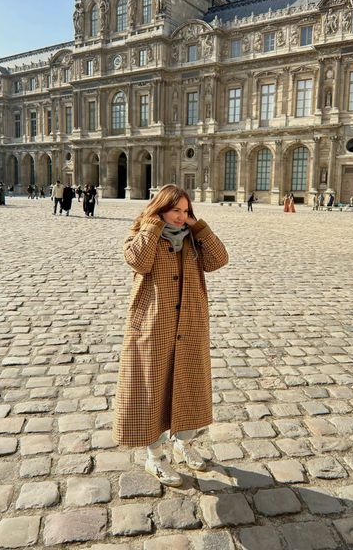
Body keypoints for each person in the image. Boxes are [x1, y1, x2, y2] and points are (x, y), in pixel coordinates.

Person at [113, 184, 228, 487]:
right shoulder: (140, 234)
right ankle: (155, 458)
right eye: (175, 210)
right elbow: (138, 261)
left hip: (190, 324)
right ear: (160, 208)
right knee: (152, 393)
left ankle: (184, 443)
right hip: (154, 327)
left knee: (189, 386)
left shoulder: (193, 239)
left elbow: (219, 260)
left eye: (186, 211)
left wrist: (199, 227)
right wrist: (152, 226)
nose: (181, 216)